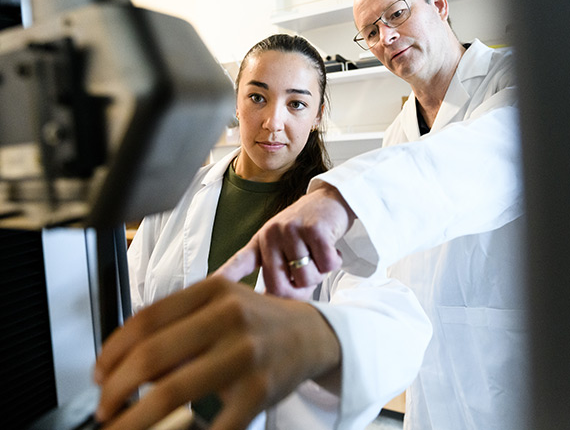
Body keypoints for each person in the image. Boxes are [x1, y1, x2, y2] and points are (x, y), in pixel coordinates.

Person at [218, 0, 527, 430]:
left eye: (396, 15)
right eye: (370, 31)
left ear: (438, 4)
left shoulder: (517, 81)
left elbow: (490, 153)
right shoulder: (397, 134)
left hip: (509, 364)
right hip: (428, 375)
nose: (385, 37)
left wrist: (339, 201)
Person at [94, 33, 432, 430]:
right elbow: (131, 305)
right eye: (257, 98)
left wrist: (320, 338)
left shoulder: (332, 214)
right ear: (236, 103)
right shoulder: (179, 194)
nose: (274, 123)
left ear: (317, 114)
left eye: (296, 104)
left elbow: (390, 326)